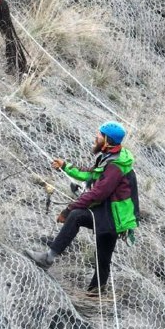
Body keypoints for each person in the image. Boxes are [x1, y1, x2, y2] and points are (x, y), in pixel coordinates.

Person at [25, 122, 139, 294]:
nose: (96, 137)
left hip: (113, 217)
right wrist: (65, 166)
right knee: (103, 256)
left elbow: (97, 194)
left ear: (107, 140)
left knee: (77, 216)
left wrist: (68, 209)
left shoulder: (115, 166)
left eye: (100, 134)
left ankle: (48, 259)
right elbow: (90, 174)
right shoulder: (111, 157)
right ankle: (96, 292)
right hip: (109, 212)